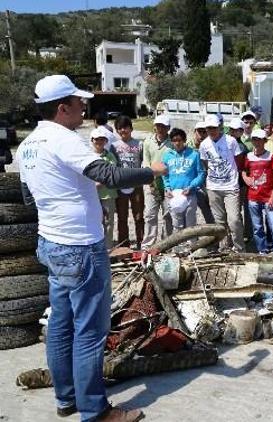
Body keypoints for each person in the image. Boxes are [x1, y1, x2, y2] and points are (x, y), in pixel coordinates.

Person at [18, 74, 165, 421]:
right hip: (80, 247)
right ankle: (95, 410)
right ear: (62, 107)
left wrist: (74, 186)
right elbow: (113, 176)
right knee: (90, 331)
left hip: (52, 242)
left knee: (61, 324)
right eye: (79, 102)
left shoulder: (29, 144)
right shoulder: (64, 139)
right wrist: (152, 171)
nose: (85, 106)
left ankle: (67, 398)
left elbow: (28, 196)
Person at [200, 114, 245, 252]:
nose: (211, 131)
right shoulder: (204, 144)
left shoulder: (231, 141)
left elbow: (239, 161)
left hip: (230, 186)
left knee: (234, 219)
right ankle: (224, 247)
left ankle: (239, 248)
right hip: (213, 187)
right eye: (208, 128)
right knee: (219, 221)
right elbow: (206, 163)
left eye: (214, 128)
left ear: (219, 127)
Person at [242, 128, 273, 254]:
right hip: (253, 197)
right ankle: (262, 249)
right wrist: (245, 178)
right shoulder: (248, 156)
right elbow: (244, 171)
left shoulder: (272, 157)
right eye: (254, 139)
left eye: (259, 139)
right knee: (257, 227)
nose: (256, 142)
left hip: (268, 197)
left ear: (264, 141)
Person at [162, 128, 205, 237]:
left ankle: (191, 246)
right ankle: (179, 248)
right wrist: (167, 187)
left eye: (180, 140)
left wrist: (192, 186)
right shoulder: (167, 156)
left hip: (189, 193)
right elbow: (164, 174)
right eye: (174, 140)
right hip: (173, 194)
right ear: (171, 141)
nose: (177, 143)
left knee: (190, 224)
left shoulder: (194, 154)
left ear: (184, 140)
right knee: (177, 224)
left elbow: (201, 174)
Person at [112, 115, 145, 249]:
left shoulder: (139, 144)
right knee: (122, 217)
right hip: (121, 186)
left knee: (139, 216)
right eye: (120, 128)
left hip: (136, 185)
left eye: (125, 127)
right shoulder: (113, 146)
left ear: (131, 128)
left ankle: (142, 243)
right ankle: (123, 245)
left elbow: (144, 162)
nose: (123, 130)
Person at [141, 114, 173, 248]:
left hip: (168, 182)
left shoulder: (172, 143)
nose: (160, 129)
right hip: (150, 181)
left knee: (168, 214)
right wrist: (150, 181)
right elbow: (146, 162)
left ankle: (166, 242)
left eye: (163, 126)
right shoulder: (147, 141)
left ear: (168, 128)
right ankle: (148, 244)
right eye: (158, 125)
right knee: (150, 214)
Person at [90, 128, 119, 249]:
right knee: (94, 222)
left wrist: (99, 183)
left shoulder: (110, 156)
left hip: (108, 194)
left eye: (102, 139)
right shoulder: (87, 155)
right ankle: (95, 247)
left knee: (108, 222)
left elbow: (111, 173)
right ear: (92, 140)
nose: (99, 142)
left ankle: (108, 247)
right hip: (91, 195)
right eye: (97, 139)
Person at [189, 120, 215, 225]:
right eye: (200, 132)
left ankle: (213, 233)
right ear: (195, 132)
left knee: (208, 208)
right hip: (190, 181)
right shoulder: (187, 146)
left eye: (205, 132)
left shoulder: (211, 146)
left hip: (206, 181)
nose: (202, 134)